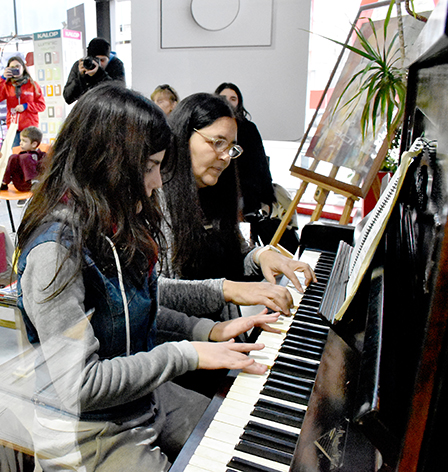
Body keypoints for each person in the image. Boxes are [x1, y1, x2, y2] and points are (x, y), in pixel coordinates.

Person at [16, 84, 279, 471]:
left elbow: (138, 309)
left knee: (241, 432)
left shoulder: (114, 222)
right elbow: (81, 385)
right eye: (149, 167)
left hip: (143, 401)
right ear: (107, 162)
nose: (158, 181)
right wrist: (185, 354)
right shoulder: (55, 252)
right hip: (89, 430)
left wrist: (207, 330)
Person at [159, 93, 315, 325]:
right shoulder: (156, 198)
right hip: (181, 343)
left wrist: (262, 256)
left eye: (231, 147)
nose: (225, 157)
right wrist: (229, 290)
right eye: (217, 142)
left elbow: (234, 256)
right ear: (184, 138)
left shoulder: (216, 192)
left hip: (221, 332)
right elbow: (155, 291)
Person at [215, 82, 275, 218]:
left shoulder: (248, 128)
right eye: (224, 98)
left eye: (233, 98)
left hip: (244, 191)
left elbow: (260, 162)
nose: (228, 102)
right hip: (216, 190)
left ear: (239, 102)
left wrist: (267, 195)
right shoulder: (209, 127)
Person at [0, 55, 45, 147]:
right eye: (12, 68)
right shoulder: (7, 85)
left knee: (30, 156)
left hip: (30, 129)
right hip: (14, 128)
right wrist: (2, 79)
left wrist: (26, 106)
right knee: (16, 155)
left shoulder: (33, 85)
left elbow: (41, 106)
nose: (15, 69)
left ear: (23, 68)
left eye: (17, 66)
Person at [63, 37, 126, 105]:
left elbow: (120, 95)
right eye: (96, 60)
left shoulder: (116, 65)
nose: (99, 64)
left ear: (108, 58)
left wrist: (99, 74)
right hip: (87, 109)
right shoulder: (83, 65)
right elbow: (68, 98)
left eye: (102, 60)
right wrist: (80, 77)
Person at [1, 126, 45, 192]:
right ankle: (4, 183)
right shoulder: (20, 156)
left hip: (37, 185)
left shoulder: (41, 155)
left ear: (34, 144)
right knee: (12, 157)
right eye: (21, 140)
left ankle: (34, 181)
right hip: (21, 183)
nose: (20, 143)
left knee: (25, 157)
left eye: (24, 141)